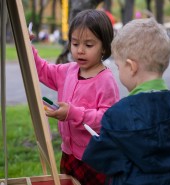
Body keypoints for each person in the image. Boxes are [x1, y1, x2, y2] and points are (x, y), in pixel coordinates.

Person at [82, 18, 170, 185]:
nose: (118, 71)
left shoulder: (117, 116)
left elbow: (100, 160)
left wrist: (97, 143)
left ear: (131, 67)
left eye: (118, 66)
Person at [31, 9, 120, 185]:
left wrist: (72, 113)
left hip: (94, 158)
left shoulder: (106, 80)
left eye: (88, 45)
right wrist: (28, 48)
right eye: (75, 43)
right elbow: (42, 70)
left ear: (104, 46)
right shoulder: (68, 70)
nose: (80, 51)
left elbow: (107, 119)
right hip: (68, 153)